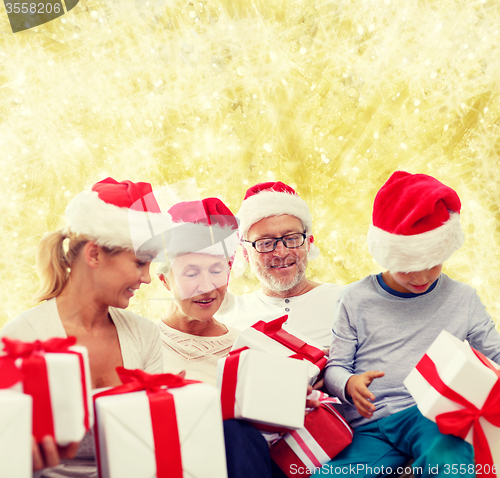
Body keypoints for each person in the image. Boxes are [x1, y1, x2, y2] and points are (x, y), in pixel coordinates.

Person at [317, 171, 500, 477]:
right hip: (370, 426)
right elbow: (336, 366)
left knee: (451, 463)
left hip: (432, 417)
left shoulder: (463, 298)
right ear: (386, 254)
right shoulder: (354, 299)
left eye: (432, 264)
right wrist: (349, 384)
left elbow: (495, 356)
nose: (422, 278)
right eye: (407, 269)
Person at [0, 178, 166, 477]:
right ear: (94, 255)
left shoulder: (145, 335)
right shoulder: (21, 338)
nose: (147, 278)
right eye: (140, 262)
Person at [215, 181, 343, 349]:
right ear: (246, 252)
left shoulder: (345, 303)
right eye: (265, 243)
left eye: (291, 238)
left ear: (309, 243)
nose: (281, 253)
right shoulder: (227, 317)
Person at [156, 197, 241, 385]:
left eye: (216, 271)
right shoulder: (142, 340)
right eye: (192, 273)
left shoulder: (243, 348)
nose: (206, 286)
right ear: (165, 281)